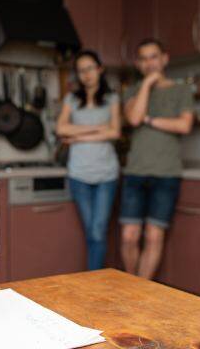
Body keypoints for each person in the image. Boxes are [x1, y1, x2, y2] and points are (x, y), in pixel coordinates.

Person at [121, 38, 194, 280]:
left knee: (154, 236)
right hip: (135, 172)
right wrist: (146, 85)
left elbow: (184, 125)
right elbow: (133, 118)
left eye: (154, 56)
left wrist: (150, 121)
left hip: (167, 172)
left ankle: (141, 291)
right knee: (129, 235)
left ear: (165, 58)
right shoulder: (132, 91)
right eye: (143, 58)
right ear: (138, 63)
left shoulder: (182, 90)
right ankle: (132, 287)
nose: (149, 63)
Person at [56, 50, 121, 271]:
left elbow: (115, 132)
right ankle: (95, 279)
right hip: (79, 174)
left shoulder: (112, 98)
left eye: (90, 68)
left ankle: (95, 280)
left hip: (106, 174)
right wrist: (97, 128)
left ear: (100, 69)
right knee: (91, 232)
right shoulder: (72, 99)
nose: (86, 74)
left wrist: (77, 137)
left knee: (97, 230)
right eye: (81, 70)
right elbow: (61, 128)